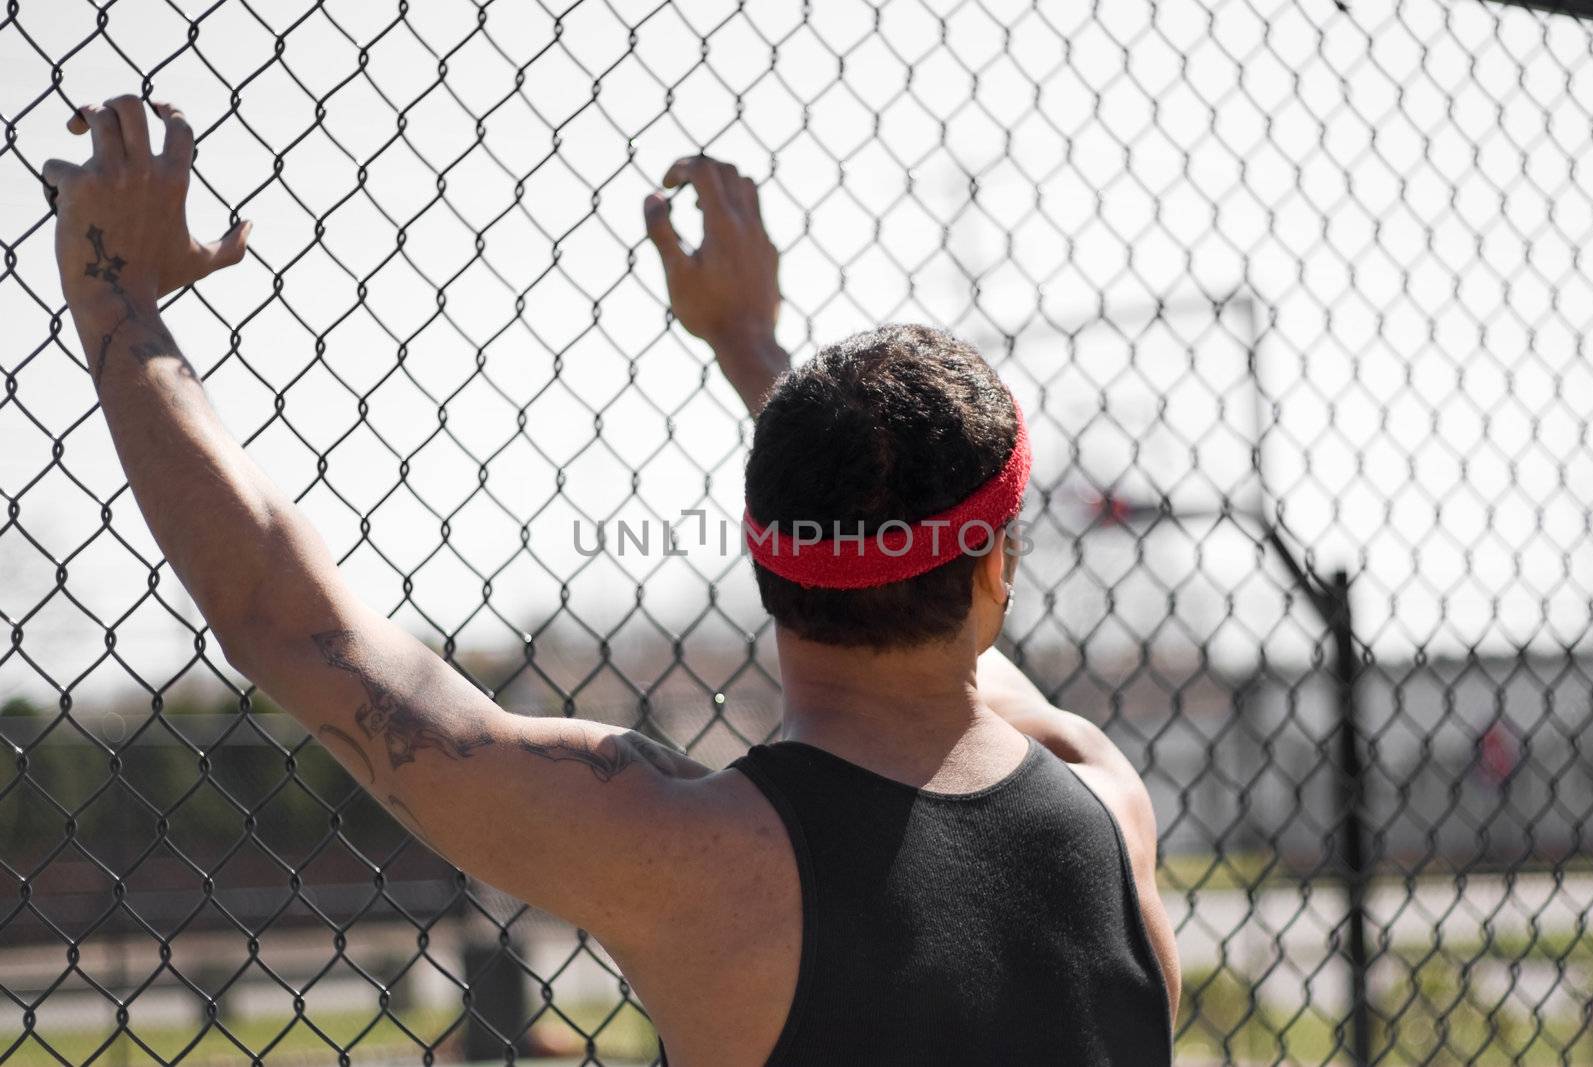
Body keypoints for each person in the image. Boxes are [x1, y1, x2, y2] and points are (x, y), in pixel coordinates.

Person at [44, 94, 1180, 1066]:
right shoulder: (1103, 801)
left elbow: (293, 627)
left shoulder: (700, 855)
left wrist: (115, 301)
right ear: (997, 571)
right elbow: (958, 620)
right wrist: (749, 346)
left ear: (764, 551)